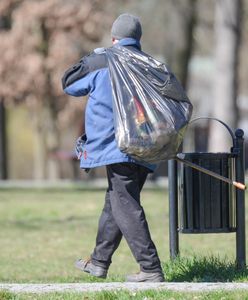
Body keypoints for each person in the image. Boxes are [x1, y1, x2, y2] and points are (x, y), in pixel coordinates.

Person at [62, 13, 164, 283]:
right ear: (138, 39)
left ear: (114, 37)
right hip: (148, 145)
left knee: (124, 203)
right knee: (116, 201)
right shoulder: (151, 64)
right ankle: (98, 262)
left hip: (116, 144)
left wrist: (91, 56)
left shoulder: (102, 60)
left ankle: (150, 268)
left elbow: (69, 83)